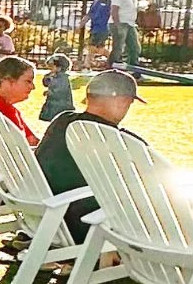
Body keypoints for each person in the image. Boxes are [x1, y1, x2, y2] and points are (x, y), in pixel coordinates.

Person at [36, 69, 144, 243]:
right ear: (123, 101)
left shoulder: (61, 122)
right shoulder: (122, 141)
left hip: (46, 216)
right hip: (88, 225)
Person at [110, 0, 143, 68]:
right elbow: (114, 10)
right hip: (120, 22)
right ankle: (113, 66)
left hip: (130, 23)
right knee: (118, 47)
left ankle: (134, 67)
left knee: (135, 47)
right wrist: (118, 25)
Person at [39, 53, 75, 122]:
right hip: (52, 102)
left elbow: (61, 90)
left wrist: (50, 92)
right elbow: (46, 84)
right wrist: (47, 78)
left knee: (59, 117)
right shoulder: (52, 75)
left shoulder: (63, 78)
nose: (50, 69)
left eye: (52, 67)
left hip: (61, 103)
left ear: (59, 67)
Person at [88, 0, 112, 65]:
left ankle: (87, 64)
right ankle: (111, 60)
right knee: (98, 48)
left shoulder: (110, 3)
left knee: (94, 47)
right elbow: (90, 14)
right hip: (95, 28)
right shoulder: (96, 3)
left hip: (103, 28)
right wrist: (82, 23)